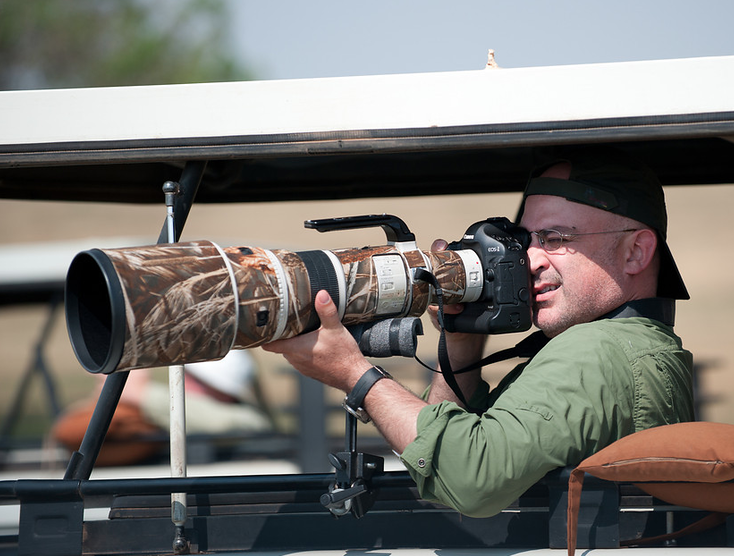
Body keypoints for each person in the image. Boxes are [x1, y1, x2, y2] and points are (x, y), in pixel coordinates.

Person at [263, 146, 694, 517]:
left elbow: (466, 477)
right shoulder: (636, 345)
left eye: (557, 238)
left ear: (636, 251)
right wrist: (464, 335)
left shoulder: (598, 349)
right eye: (525, 241)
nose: (532, 260)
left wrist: (354, 375)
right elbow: (449, 451)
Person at [52, 350, 273, 466]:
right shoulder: (146, 422)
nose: (182, 384)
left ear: (225, 394)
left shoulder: (247, 423)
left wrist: (141, 394)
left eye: (196, 380)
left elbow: (244, 424)